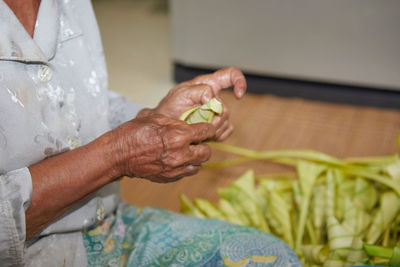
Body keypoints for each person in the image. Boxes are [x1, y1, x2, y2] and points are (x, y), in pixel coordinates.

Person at [0, 0, 301, 266]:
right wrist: (118, 155)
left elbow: (80, 103)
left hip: (106, 226)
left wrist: (154, 118)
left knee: (273, 258)